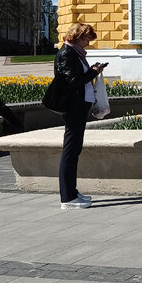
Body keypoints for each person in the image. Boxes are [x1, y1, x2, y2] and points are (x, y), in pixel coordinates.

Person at [42, 23, 107, 210]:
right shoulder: (67, 54)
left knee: (74, 150)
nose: (88, 42)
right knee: (70, 151)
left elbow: (77, 77)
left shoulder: (75, 53)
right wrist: (93, 72)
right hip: (73, 107)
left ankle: (72, 192)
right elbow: (73, 81)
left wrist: (93, 70)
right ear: (77, 36)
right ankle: (68, 197)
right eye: (87, 38)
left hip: (78, 106)